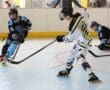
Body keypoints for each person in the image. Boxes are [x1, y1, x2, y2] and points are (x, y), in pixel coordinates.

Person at [56, 7, 100, 82]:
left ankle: (92, 75)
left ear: (68, 16)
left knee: (80, 58)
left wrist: (61, 38)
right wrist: (84, 10)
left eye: (64, 15)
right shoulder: (79, 15)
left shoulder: (73, 26)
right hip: (82, 40)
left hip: (84, 42)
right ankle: (67, 69)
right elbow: (86, 15)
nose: (64, 17)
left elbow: (69, 39)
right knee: (72, 54)